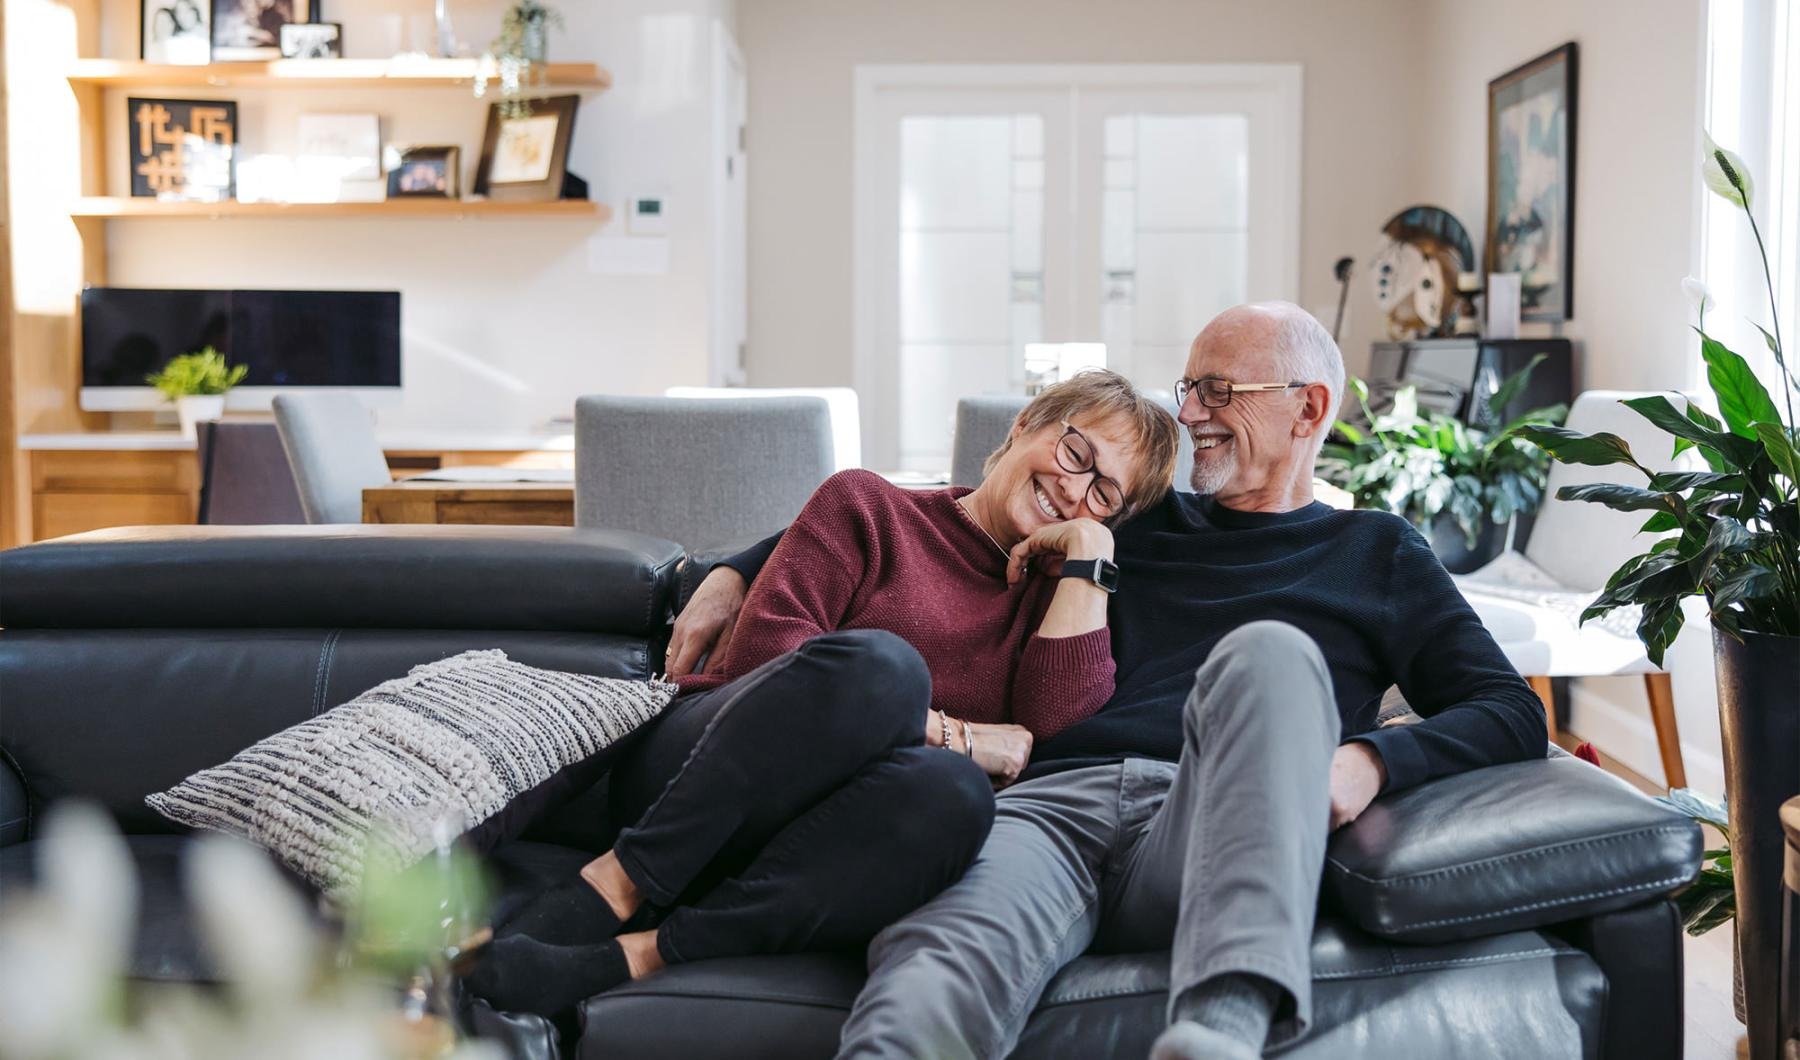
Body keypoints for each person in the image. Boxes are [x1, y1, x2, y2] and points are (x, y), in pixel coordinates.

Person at [673, 302, 1547, 1060]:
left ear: (1307, 407)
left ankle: (1221, 1026)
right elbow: (945, 511)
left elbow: (1509, 710)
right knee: (932, 981)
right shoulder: (1137, 511)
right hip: (1047, 807)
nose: (1194, 412)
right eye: (1189, 389)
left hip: (1208, 814)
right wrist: (730, 568)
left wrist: (1368, 762)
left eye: (1220, 392)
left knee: (1271, 653)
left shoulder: (1378, 554)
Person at [469, 370, 1181, 1018]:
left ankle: (637, 954)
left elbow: (1053, 732)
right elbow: (765, 662)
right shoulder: (869, 506)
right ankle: (612, 887)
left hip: (821, 849)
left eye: (1103, 495)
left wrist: (1087, 558)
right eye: (1076, 453)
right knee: (881, 670)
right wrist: (958, 734)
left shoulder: (1063, 603)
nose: (1074, 489)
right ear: (1026, 425)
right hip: (704, 776)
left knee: (953, 799)